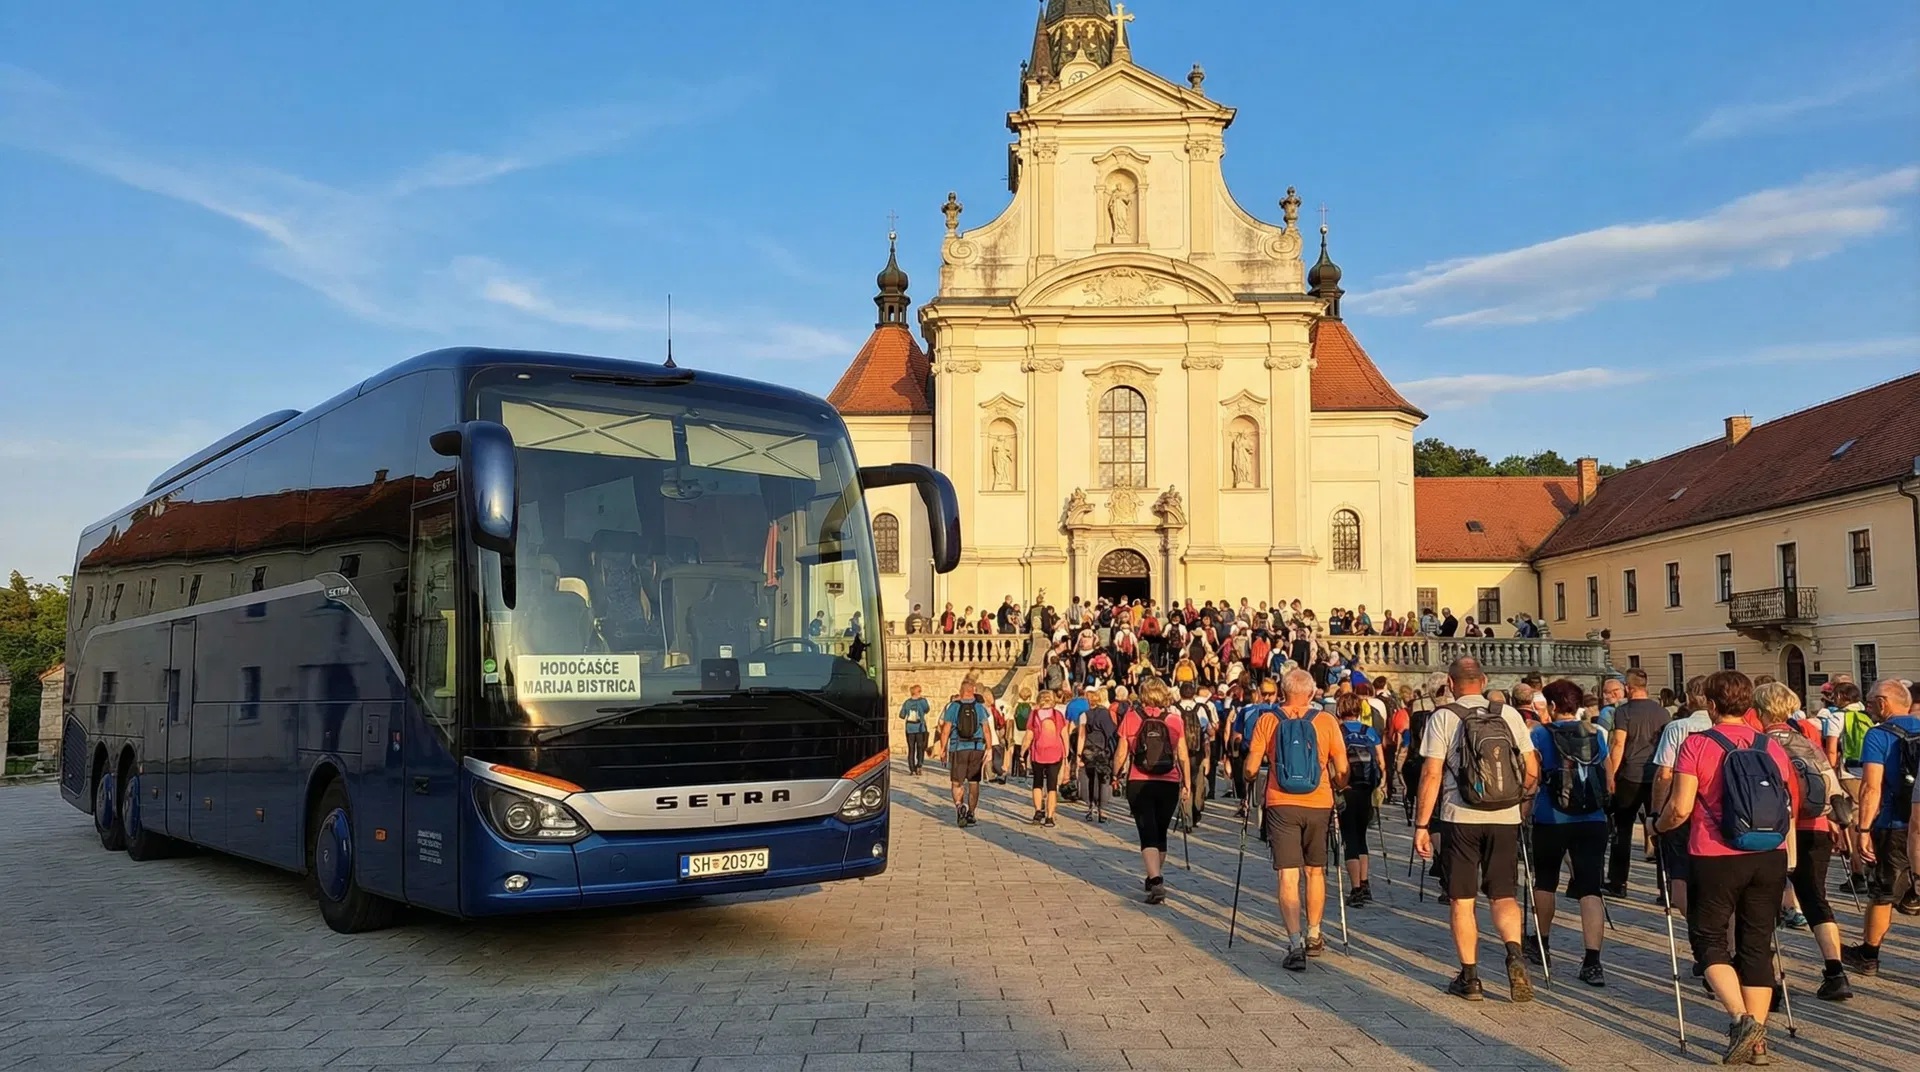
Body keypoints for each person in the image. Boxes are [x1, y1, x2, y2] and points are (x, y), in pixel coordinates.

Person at [1653, 670, 1797, 1066]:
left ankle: (1741, 1019)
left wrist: (1657, 826)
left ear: (1711, 705)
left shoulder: (1697, 744)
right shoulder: (1770, 746)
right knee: (1756, 943)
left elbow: (1680, 808)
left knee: (1709, 939)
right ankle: (1759, 1042)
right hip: (1769, 852)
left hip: (1715, 855)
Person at [1414, 656, 1539, 1003]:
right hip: (1505, 816)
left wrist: (1422, 824)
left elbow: (1432, 774)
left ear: (1451, 684)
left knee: (1462, 899)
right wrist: (1521, 802)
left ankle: (1470, 977)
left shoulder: (1443, 717)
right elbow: (1531, 768)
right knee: (1503, 894)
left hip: (1460, 817)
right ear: (1484, 682)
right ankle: (1514, 953)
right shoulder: (1508, 714)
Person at [1240, 669, 1348, 968]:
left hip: (1281, 802)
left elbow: (1251, 767)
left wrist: (1249, 779)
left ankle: (1294, 942)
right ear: (1312, 693)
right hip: (1319, 802)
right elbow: (1342, 769)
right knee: (1315, 871)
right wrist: (1338, 785)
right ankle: (1314, 933)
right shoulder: (1326, 721)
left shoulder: (1268, 720)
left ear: (1282, 692)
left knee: (1288, 875)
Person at [1754, 681, 1853, 1001]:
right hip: (1817, 826)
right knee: (1815, 898)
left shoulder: (1761, 743)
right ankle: (1835, 972)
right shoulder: (1807, 738)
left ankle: (1766, 979)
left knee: (1763, 901)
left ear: (1761, 709)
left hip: (1778, 830)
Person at [1527, 678, 1612, 986]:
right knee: (1590, 888)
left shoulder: (1540, 734)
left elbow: (1532, 778)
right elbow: (1609, 779)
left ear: (1552, 705)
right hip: (1592, 818)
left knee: (1546, 881)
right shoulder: (1596, 733)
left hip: (1551, 817)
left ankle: (1541, 944)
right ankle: (1592, 961)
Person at [1843, 679, 1920, 977]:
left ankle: (1868, 955)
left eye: (1871, 701)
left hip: (1893, 823)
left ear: (1884, 702)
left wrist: (1863, 830)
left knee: (1883, 893)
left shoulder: (1878, 735)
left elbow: (1871, 787)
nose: (1868, 706)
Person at [1112, 678, 1192, 904]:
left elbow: (1121, 752)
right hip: (1169, 782)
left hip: (1139, 780)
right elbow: (1183, 755)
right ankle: (1154, 876)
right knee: (1161, 832)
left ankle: (1155, 880)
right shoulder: (1175, 720)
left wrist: (1115, 774)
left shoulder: (1131, 718)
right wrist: (1187, 783)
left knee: (1146, 831)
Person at [1650, 676, 1712, 921]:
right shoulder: (1727, 727)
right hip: (1715, 807)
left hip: (1681, 802)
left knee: (1680, 872)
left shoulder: (1677, 728)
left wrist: (1656, 812)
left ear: (1688, 698)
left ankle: (1697, 924)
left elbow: (1664, 774)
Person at [1604, 668, 1668, 896]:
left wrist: (1611, 775)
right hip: (1656, 775)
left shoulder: (1623, 711)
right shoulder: (1662, 711)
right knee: (1658, 830)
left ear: (1628, 688)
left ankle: (1618, 882)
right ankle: (1665, 888)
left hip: (1630, 775)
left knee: (1622, 831)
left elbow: (1619, 744)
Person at [1337, 693, 1385, 908]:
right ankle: (1365, 883)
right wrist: (1380, 784)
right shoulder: (1369, 731)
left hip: (1347, 789)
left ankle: (1355, 888)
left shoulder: (1339, 731)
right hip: (1367, 789)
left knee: (1350, 839)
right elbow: (1381, 762)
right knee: (1362, 837)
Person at [935, 677, 998, 827]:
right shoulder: (979, 707)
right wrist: (989, 748)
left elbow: (945, 730)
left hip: (958, 748)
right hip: (976, 748)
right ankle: (971, 812)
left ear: (961, 691)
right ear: (973, 691)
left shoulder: (953, 707)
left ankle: (959, 806)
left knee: (957, 782)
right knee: (974, 782)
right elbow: (986, 730)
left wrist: (942, 749)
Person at [1026, 690, 1070, 828]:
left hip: (1038, 752)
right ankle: (1050, 817)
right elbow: (1064, 734)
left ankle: (1038, 811)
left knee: (1037, 783)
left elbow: (1029, 735)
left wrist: (1022, 751)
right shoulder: (1057, 715)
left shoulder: (1034, 715)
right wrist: (1066, 753)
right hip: (1055, 753)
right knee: (1052, 785)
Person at [1079, 686, 1119, 824]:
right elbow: (1111, 733)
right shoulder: (1106, 714)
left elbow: (1081, 736)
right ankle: (1102, 810)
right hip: (1103, 750)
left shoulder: (1084, 715)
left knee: (1090, 779)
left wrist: (1078, 755)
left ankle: (1090, 807)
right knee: (1103, 780)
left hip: (1089, 750)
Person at [1175, 684, 1213, 825]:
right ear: (1193, 694)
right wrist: (1208, 758)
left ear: (1180, 694)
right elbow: (1209, 733)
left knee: (1184, 784)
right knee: (1198, 784)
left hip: (1180, 753)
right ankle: (1197, 809)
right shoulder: (1201, 709)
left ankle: (1187, 818)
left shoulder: (1174, 709)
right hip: (1198, 753)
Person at [899, 684, 931, 775]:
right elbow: (927, 710)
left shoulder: (907, 702)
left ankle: (912, 769)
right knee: (920, 748)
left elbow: (902, 715)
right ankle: (919, 765)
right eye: (920, 691)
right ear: (918, 692)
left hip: (910, 729)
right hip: (920, 728)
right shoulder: (922, 701)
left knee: (911, 749)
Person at [1011, 685, 1034, 779]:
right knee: (1024, 753)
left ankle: (1013, 771)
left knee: (1016, 753)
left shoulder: (1016, 706)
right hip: (1026, 733)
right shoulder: (1031, 707)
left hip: (1017, 733)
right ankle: (1022, 771)